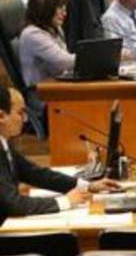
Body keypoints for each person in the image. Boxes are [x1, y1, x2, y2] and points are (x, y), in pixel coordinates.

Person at [0, 87, 119, 216]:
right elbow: (13, 204)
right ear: (1, 116)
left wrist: (88, 186)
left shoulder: (4, 142)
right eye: (20, 113)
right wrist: (65, 201)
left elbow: (34, 173)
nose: (25, 119)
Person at [18, 0, 75, 86]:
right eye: (60, 8)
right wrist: (90, 58)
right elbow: (63, 62)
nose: (65, 13)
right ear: (46, 9)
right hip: (41, 91)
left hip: (56, 84)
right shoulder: (32, 34)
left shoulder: (54, 28)